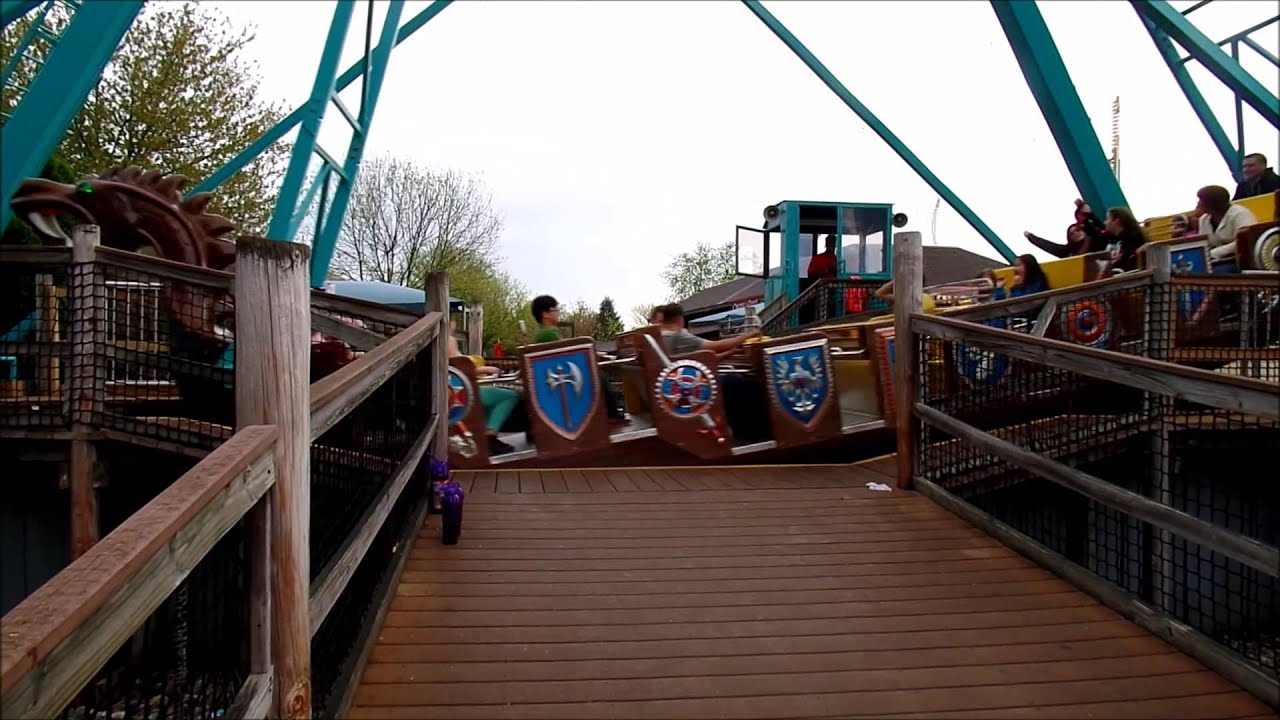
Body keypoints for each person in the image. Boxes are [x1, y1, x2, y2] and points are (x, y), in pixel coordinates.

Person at [657, 304, 771, 443]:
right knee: (746, 386)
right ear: (680, 319)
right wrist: (750, 335)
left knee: (732, 381)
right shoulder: (678, 336)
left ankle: (743, 433)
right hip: (687, 389)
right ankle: (754, 435)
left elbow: (704, 358)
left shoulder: (660, 336)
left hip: (676, 386)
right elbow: (718, 346)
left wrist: (730, 353)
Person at [528, 294, 628, 424]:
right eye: (555, 310)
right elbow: (568, 353)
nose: (558, 313)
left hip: (557, 377)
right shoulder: (548, 333)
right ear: (545, 314)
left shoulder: (544, 333)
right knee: (599, 377)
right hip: (561, 380)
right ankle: (612, 415)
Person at [447, 320, 519, 455]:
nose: (454, 323)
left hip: (461, 390)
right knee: (510, 396)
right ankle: (490, 436)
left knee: (490, 400)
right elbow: (460, 366)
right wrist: (487, 369)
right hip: (465, 394)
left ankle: (488, 436)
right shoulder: (448, 340)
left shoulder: (444, 341)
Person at [1196, 185, 1257, 273]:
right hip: (1216, 261)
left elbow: (1245, 241)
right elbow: (1204, 244)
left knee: (1218, 272)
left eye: (1201, 200)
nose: (1198, 203)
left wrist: (1214, 253)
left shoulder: (1240, 214)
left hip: (1240, 260)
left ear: (1212, 203)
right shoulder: (1204, 220)